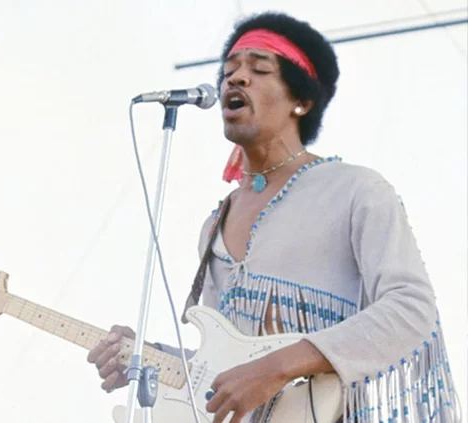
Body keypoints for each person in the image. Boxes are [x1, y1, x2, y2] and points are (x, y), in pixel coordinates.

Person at [86, 11, 460, 423]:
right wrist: (148, 359)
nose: (236, 78)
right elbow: (224, 363)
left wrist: (277, 367)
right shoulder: (214, 225)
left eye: (259, 69)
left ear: (302, 101)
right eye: (228, 71)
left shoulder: (356, 190)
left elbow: (412, 308)